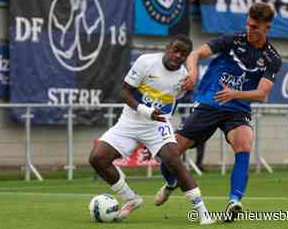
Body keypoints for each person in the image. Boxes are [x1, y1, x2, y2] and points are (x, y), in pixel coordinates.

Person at [154, 2, 282, 222]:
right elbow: (195, 54)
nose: (250, 30)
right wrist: (193, 74)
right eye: (249, 24)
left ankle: (234, 202)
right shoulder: (231, 40)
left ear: (267, 28)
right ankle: (171, 182)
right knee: (168, 154)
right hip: (209, 104)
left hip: (237, 108)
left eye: (255, 27)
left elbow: (262, 94)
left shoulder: (272, 58)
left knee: (244, 143)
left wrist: (235, 94)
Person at [89, 34, 215, 225]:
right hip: (130, 121)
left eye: (183, 54)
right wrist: (144, 110)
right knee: (97, 158)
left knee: (174, 160)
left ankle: (202, 211)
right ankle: (131, 199)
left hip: (157, 125)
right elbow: (124, 91)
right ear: (167, 48)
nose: (178, 55)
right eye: (175, 50)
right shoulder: (145, 62)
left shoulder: (184, 78)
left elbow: (170, 103)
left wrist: (157, 137)